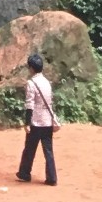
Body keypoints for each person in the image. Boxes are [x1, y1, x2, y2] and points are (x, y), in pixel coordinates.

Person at [16, 51, 59, 186]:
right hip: (47, 122)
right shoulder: (47, 82)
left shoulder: (31, 83)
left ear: (31, 68)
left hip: (36, 122)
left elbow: (30, 104)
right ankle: (52, 177)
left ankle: (24, 172)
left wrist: (27, 122)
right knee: (48, 151)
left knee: (29, 149)